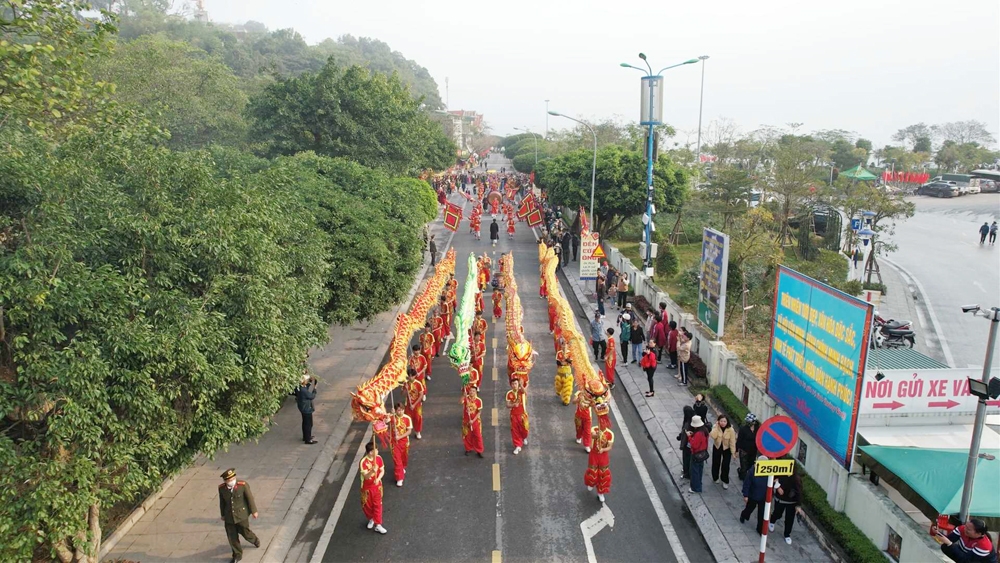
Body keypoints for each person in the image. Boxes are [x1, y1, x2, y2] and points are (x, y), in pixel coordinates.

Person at [218, 468, 259, 563]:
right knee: (232, 537)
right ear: (225, 481)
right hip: (229, 516)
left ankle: (254, 540)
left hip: (241, 515)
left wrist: (254, 511)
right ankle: (237, 554)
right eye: (229, 480)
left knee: (245, 532)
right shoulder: (221, 488)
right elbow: (222, 502)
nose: (231, 481)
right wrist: (223, 514)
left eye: (232, 479)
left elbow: (250, 499)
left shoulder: (242, 485)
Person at [584, 402, 615, 503]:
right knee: (592, 471)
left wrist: (603, 449)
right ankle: (591, 483)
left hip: (603, 456)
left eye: (603, 423)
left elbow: (610, 446)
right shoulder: (595, 429)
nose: (602, 424)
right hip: (594, 454)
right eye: (600, 422)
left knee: (603, 473)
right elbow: (592, 435)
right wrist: (597, 435)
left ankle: (600, 492)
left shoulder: (610, 434)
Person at [769, 467, 803, 545]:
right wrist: (777, 487)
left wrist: (798, 505)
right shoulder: (781, 472)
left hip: (791, 502)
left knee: (789, 519)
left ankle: (787, 534)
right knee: (777, 513)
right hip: (780, 499)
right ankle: (772, 521)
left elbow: (799, 492)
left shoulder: (796, 479)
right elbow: (773, 479)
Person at [359, 441, 387, 534]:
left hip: (377, 487)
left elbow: (382, 470)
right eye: (376, 449)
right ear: (370, 452)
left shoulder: (379, 458)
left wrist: (378, 478)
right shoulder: (363, 462)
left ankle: (378, 524)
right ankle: (371, 518)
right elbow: (366, 477)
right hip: (367, 489)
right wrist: (372, 471)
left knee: (378, 505)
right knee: (367, 506)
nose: (377, 451)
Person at [740, 455, 771, 535]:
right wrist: (745, 495)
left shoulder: (769, 472)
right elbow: (747, 483)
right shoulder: (752, 471)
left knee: (761, 514)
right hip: (753, 495)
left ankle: (759, 529)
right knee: (749, 509)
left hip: (763, 497)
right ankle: (743, 516)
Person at [710, 415, 737, 489]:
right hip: (717, 446)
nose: (723, 423)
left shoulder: (730, 430)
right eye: (721, 421)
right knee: (716, 462)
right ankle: (715, 477)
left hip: (726, 448)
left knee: (726, 465)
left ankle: (725, 480)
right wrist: (716, 427)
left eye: (724, 421)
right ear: (718, 421)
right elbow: (713, 436)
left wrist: (733, 452)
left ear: (727, 421)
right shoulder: (716, 427)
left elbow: (732, 441)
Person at [391, 402, 413, 487]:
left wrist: (400, 437)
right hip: (394, 443)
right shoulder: (392, 417)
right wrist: (390, 414)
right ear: (396, 411)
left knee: (404, 457)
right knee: (397, 460)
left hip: (404, 442)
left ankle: (403, 467)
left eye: (402, 410)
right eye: (399, 410)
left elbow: (409, 431)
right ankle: (399, 478)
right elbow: (385, 420)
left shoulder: (407, 418)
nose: (401, 412)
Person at [506, 378, 529, 454]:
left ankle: (524, 437)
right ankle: (518, 445)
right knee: (515, 431)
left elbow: (525, 392)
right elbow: (507, 405)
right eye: (512, 384)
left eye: (515, 383)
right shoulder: (509, 393)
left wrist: (521, 385)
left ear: (518, 384)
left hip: (522, 414)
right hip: (514, 415)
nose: (514, 385)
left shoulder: (521, 391)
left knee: (525, 429)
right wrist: (513, 405)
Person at [687, 415, 709, 493]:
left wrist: (689, 437)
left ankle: (696, 488)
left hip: (696, 454)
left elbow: (694, 445)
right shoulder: (705, 431)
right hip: (703, 453)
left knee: (694, 471)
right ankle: (699, 484)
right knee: (700, 470)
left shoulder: (698, 433)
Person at [295, 375, 318, 445]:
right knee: (309, 424)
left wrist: (311, 381)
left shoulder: (299, 388)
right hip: (307, 408)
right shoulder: (303, 391)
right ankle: (308, 439)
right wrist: (315, 389)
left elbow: (306, 386)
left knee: (305, 422)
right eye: (307, 380)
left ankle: (305, 436)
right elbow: (311, 396)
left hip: (302, 407)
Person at [736, 414, 760, 480]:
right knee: (744, 466)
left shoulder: (757, 429)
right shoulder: (743, 429)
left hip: (753, 451)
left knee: (751, 465)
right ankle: (742, 477)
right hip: (744, 451)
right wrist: (736, 450)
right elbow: (739, 440)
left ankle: (747, 476)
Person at [463, 385, 485, 457]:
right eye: (471, 391)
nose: (471, 392)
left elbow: (479, 412)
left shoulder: (478, 400)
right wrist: (463, 396)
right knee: (467, 435)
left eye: (473, 391)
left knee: (478, 436)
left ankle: (479, 450)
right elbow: (460, 402)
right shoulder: (466, 398)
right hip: (466, 420)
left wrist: (473, 420)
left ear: (476, 392)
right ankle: (468, 448)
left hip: (475, 421)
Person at [405, 368, 426, 440]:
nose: (410, 377)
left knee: (417, 418)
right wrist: (405, 389)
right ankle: (406, 432)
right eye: (409, 376)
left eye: (412, 376)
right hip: (408, 404)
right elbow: (402, 394)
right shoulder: (406, 383)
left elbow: (421, 395)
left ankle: (417, 431)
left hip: (417, 405)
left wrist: (414, 404)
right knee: (407, 418)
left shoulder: (418, 383)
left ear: (414, 376)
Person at [677, 405, 695, 478]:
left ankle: (686, 473)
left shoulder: (689, 423)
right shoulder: (691, 421)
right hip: (688, 443)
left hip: (687, 444)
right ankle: (686, 470)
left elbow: (685, 432)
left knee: (686, 458)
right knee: (687, 459)